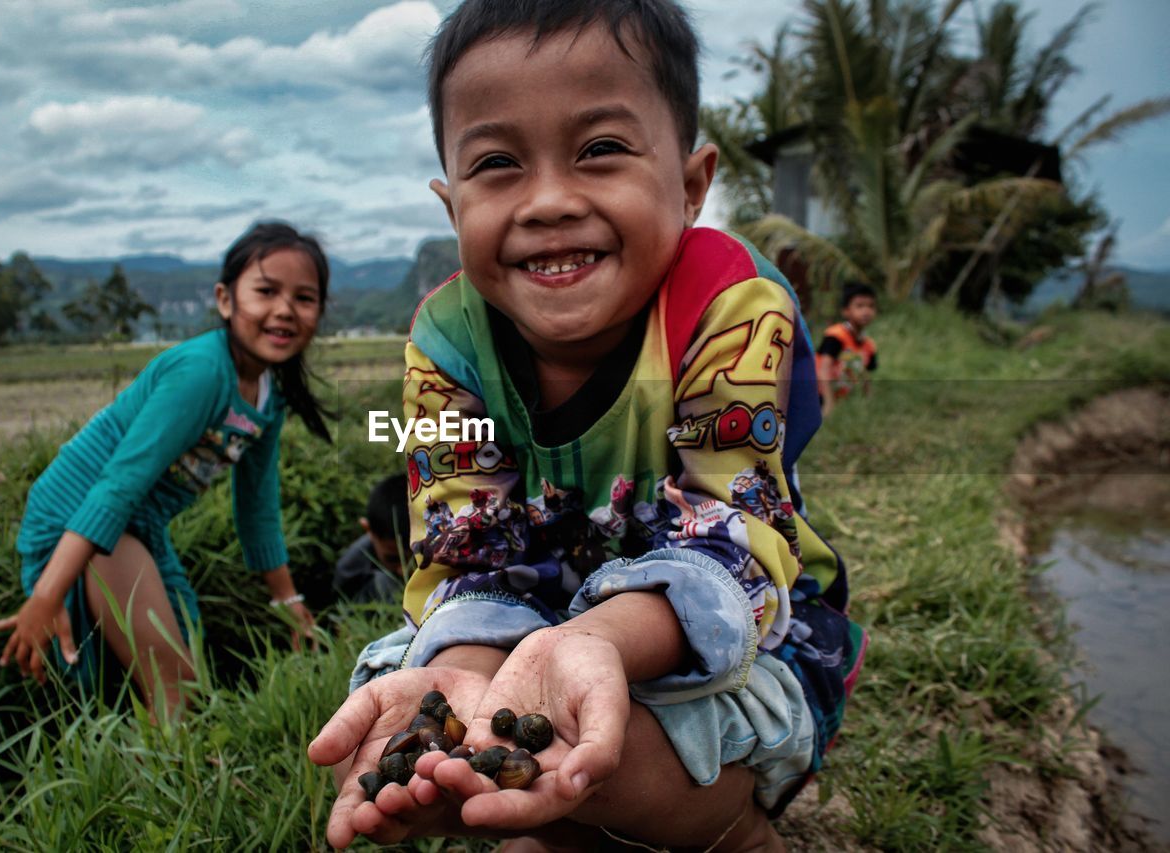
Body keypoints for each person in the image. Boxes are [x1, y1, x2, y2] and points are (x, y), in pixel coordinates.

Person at [307, 2, 865, 850]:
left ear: (689, 183)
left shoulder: (727, 305)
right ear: (451, 204)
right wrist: (467, 678)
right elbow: (466, 548)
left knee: (632, 741)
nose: (550, 201)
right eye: (497, 163)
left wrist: (596, 638)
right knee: (436, 697)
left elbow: (731, 536)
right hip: (538, 626)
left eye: (600, 149)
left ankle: (735, 834)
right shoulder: (445, 339)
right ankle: (551, 816)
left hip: (728, 625)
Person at [0, 221, 332, 716]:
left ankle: (163, 755)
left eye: (304, 297)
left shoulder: (268, 395)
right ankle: (176, 775)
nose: (284, 309)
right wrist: (45, 596)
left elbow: (257, 506)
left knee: (182, 642)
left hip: (137, 524)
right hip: (81, 513)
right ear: (225, 299)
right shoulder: (201, 372)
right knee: (175, 684)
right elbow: (118, 484)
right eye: (265, 290)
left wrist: (286, 600)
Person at [333, 473, 409, 604]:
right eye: (394, 559)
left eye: (417, 559)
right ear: (368, 529)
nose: (404, 571)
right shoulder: (350, 572)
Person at [816, 282, 878, 416]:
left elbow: (866, 375)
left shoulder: (869, 344)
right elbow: (823, 369)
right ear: (846, 311)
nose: (866, 311)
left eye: (871, 306)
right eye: (860, 306)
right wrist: (829, 403)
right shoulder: (835, 336)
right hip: (816, 395)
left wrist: (868, 400)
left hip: (842, 400)